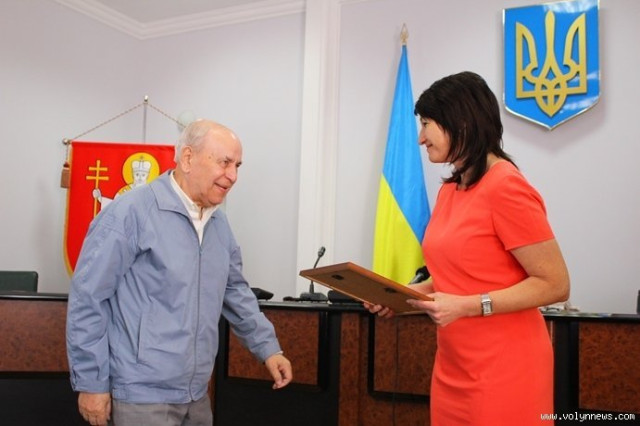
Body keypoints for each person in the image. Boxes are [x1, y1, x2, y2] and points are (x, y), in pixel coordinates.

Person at [365, 71, 570, 425]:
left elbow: (556, 284)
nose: (420, 138)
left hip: (506, 368)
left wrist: (469, 306)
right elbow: (457, 277)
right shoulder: (450, 190)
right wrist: (402, 296)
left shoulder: (506, 187)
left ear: (459, 122)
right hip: (453, 367)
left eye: (426, 124)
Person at [67, 119, 293, 426]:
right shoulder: (130, 213)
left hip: (196, 396)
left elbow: (235, 292)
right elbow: (88, 299)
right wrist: (91, 383)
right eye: (225, 163)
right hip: (140, 397)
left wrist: (268, 349)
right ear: (187, 158)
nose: (233, 176)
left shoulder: (219, 224)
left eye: (237, 166)